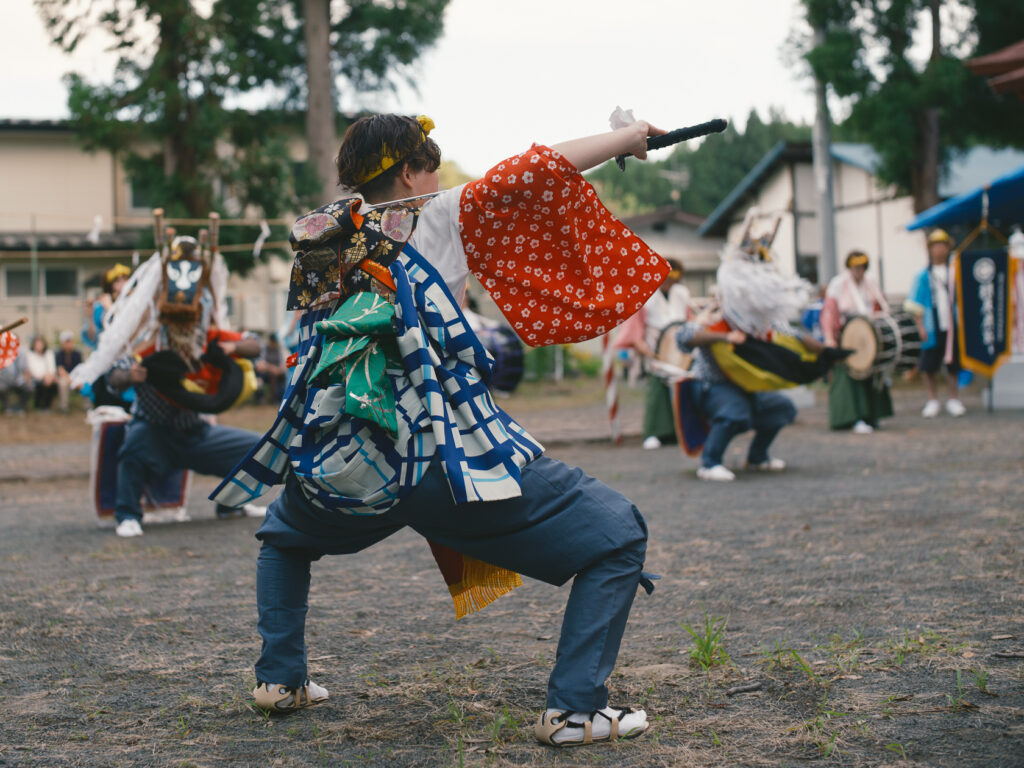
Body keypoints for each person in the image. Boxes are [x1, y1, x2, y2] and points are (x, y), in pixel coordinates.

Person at [212, 113, 670, 747]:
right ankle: (576, 711)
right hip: (434, 458)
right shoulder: (431, 214)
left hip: (342, 457)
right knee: (618, 533)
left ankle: (278, 679)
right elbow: (538, 167)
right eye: (429, 166)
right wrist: (626, 138)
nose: (437, 177)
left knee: (284, 535)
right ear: (408, 172)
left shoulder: (324, 239)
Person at [72, 228, 267, 538]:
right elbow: (113, 376)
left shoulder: (209, 340)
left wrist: (233, 348)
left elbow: (254, 345)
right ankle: (127, 516)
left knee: (257, 446)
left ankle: (232, 503)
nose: (185, 327)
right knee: (132, 450)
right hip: (153, 430)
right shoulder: (150, 345)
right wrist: (131, 375)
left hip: (196, 431)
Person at [617, 259, 691, 449]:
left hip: (679, 347)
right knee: (657, 390)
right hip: (654, 345)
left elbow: (689, 318)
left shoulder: (682, 294)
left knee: (681, 390)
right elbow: (634, 323)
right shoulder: (643, 294)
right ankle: (653, 432)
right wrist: (639, 343)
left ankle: (678, 432)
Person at [821, 251, 893, 434]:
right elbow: (829, 312)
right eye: (855, 268)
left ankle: (873, 415)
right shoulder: (838, 284)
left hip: (869, 334)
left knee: (873, 374)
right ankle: (854, 417)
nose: (859, 271)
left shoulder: (871, 282)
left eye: (861, 268)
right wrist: (830, 338)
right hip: (848, 336)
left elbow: (880, 306)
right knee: (852, 375)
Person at [904, 229, 965, 418]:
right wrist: (921, 326)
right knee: (928, 365)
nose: (939, 249)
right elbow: (916, 303)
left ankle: (953, 399)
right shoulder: (923, 275)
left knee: (953, 364)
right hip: (932, 325)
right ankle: (932, 400)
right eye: (935, 245)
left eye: (943, 245)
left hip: (952, 325)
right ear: (930, 249)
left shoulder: (955, 271)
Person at [25, 335, 58, 411]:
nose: (39, 346)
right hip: (36, 378)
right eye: (37, 344)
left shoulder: (49, 353)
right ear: (34, 345)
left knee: (53, 384)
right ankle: (39, 405)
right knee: (42, 384)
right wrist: (44, 377)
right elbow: (33, 370)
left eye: (41, 344)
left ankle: (47, 405)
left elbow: (52, 368)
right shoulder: (30, 355)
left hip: (49, 378)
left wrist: (50, 377)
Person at [55, 330, 83, 413]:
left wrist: (75, 380)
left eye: (70, 341)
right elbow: (60, 370)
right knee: (63, 383)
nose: (68, 344)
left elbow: (80, 368)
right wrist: (69, 380)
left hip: (76, 377)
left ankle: (87, 406)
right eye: (66, 342)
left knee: (85, 383)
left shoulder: (77, 354)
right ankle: (64, 407)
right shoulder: (59, 354)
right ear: (62, 343)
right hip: (64, 377)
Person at [254, 333, 287, 404]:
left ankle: (282, 397)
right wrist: (272, 368)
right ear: (271, 341)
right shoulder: (264, 349)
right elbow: (261, 364)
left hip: (277, 371)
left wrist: (280, 369)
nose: (275, 344)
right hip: (265, 372)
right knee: (271, 376)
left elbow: (283, 363)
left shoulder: (278, 350)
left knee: (283, 376)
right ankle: (270, 399)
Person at [0, 345, 32, 414]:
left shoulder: (22, 353)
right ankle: (6, 407)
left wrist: (28, 382)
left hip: (19, 381)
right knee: (1, 388)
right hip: (5, 381)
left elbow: (26, 370)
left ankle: (20, 407)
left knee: (29, 388)